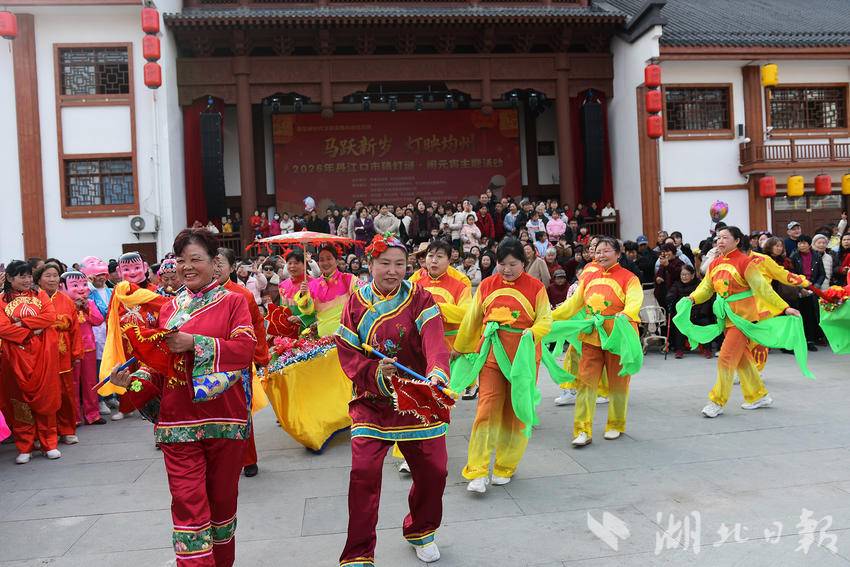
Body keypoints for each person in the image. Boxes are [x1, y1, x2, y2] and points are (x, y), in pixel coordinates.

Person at [109, 228, 256, 567]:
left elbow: (245, 349)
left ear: (214, 262)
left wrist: (195, 343)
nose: (186, 267)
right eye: (181, 260)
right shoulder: (169, 308)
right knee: (188, 508)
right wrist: (131, 381)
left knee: (222, 509)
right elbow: (159, 367)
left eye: (195, 259)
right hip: (177, 423)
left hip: (224, 419)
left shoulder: (234, 301)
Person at [334, 233, 451, 565]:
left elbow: (434, 340)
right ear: (370, 264)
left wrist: (437, 373)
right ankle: (358, 553)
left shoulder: (420, 298)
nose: (392, 270)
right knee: (363, 473)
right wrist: (375, 373)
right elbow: (348, 353)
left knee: (435, 471)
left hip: (416, 397)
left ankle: (421, 529)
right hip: (372, 401)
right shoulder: (355, 303)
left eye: (400, 264)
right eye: (384, 263)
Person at [452, 238, 552, 493]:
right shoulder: (487, 285)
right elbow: (472, 320)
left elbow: (545, 320)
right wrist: (460, 348)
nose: (506, 269)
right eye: (502, 263)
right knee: (486, 409)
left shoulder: (536, 287)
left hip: (523, 358)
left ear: (524, 263)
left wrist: (532, 333)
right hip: (492, 356)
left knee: (516, 411)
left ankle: (505, 466)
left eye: (512, 264)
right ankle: (477, 470)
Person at [682, 227, 802, 419]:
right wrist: (692, 298)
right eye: (718, 238)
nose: (720, 241)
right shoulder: (715, 263)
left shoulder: (745, 262)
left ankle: (717, 401)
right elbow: (706, 288)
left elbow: (763, 289)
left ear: (737, 241)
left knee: (726, 357)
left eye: (725, 238)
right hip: (727, 318)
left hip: (743, 319)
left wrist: (784, 308)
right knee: (742, 358)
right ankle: (758, 395)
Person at [550, 238, 643, 446]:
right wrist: (551, 316)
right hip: (592, 334)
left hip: (617, 335)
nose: (601, 255)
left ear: (618, 253)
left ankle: (615, 424)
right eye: (598, 251)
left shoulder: (629, 278)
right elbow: (573, 305)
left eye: (606, 251)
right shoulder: (589, 277)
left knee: (618, 382)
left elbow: (634, 301)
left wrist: (626, 314)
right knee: (585, 382)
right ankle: (582, 429)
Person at [0, 261, 62, 463]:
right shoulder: (1, 300)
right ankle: (25, 445)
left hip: (43, 355)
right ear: (10, 278)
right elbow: (3, 328)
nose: (27, 280)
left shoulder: (40, 295)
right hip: (15, 358)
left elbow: (50, 316)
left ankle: (49, 443)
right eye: (22, 276)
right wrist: (31, 332)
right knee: (19, 402)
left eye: (28, 276)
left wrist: (22, 323)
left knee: (46, 398)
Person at [216, 248, 270, 479]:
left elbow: (256, 326)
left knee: (241, 411)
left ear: (231, 267)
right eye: (212, 262)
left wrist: (260, 356)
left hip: (238, 363)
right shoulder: (198, 295)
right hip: (211, 362)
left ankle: (248, 459)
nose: (216, 268)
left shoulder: (242, 295)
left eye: (220, 263)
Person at [35, 262, 82, 445]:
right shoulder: (33, 300)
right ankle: (46, 433)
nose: (52, 279)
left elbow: (75, 328)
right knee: (45, 395)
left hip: (63, 354)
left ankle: (67, 430)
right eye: (48, 275)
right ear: (39, 279)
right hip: (40, 355)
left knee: (66, 394)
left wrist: (76, 352)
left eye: (55, 275)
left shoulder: (66, 300)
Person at [60, 270, 106, 426]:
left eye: (84, 284)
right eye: (75, 285)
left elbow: (98, 320)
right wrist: (74, 307)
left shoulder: (90, 303)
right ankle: (74, 417)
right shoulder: (63, 304)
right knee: (72, 383)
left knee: (90, 381)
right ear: (62, 287)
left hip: (88, 347)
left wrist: (86, 308)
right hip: (70, 349)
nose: (81, 288)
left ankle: (92, 414)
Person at [298, 244, 358, 337]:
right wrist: (303, 295)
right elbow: (308, 311)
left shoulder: (349, 279)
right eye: (322, 260)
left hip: (346, 337)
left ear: (336, 261)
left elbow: (363, 298)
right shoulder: (313, 285)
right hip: (323, 337)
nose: (325, 263)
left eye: (329, 259)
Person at [790, 235, 826, 350]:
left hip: (813, 288)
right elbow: (791, 274)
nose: (801, 245)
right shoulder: (794, 256)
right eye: (799, 243)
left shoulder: (816, 256)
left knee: (812, 315)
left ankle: (810, 340)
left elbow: (822, 274)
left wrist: (816, 286)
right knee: (801, 315)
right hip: (800, 289)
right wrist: (801, 288)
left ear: (809, 244)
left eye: (804, 243)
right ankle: (800, 340)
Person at [665, 265, 701, 359]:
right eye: (682, 275)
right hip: (682, 313)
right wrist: (670, 297)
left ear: (692, 275)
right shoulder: (677, 284)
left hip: (696, 311)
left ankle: (706, 348)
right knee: (678, 323)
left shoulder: (698, 284)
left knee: (705, 321)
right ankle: (679, 349)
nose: (683, 277)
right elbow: (670, 294)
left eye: (686, 274)